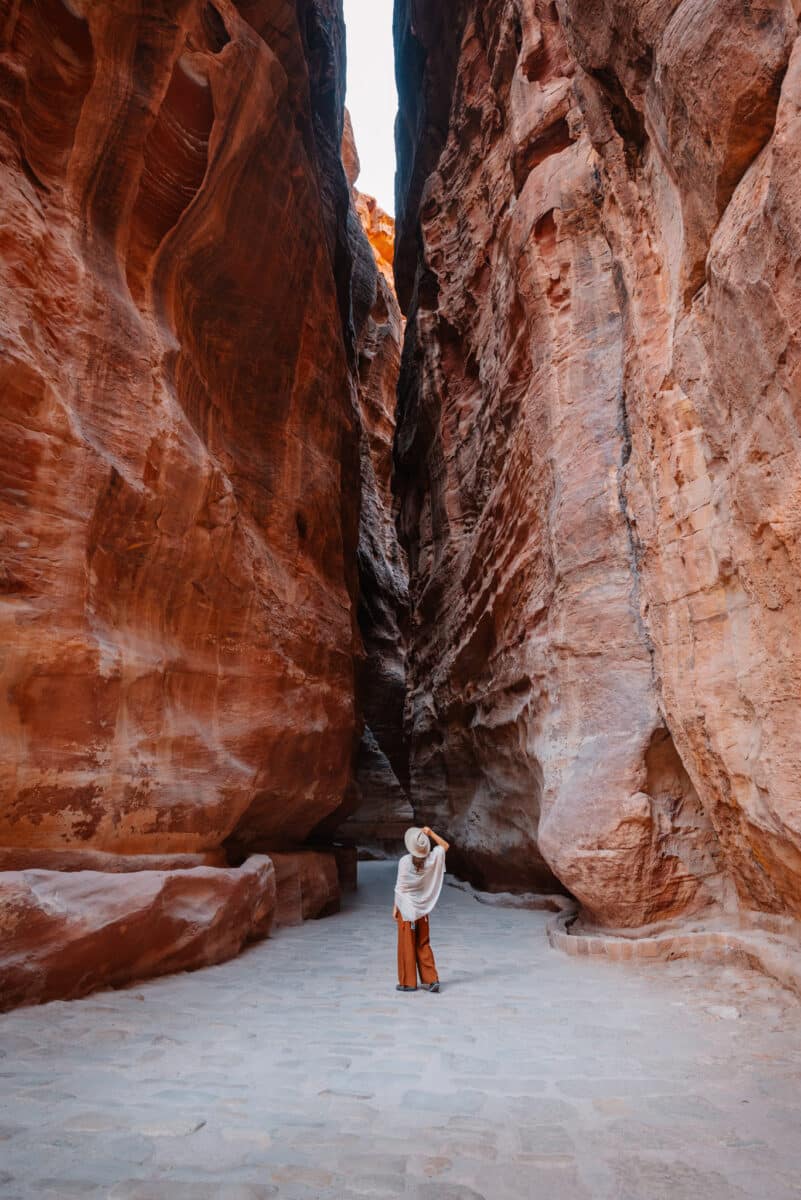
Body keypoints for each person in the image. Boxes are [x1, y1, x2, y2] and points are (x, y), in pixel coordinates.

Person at [393, 824, 450, 993]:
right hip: (423, 911)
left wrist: (395, 907)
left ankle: (408, 983)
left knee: (406, 944)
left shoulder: (404, 862)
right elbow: (445, 846)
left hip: (406, 910)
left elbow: (400, 888)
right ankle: (432, 980)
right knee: (423, 943)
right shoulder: (432, 860)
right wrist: (430, 832)